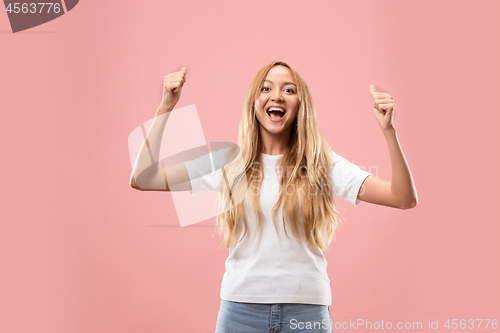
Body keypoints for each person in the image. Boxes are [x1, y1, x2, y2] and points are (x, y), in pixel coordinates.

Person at [129, 61, 418, 333]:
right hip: (240, 311)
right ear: (254, 104)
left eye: (288, 90)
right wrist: (166, 106)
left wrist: (388, 130)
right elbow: (143, 177)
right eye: (265, 88)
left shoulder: (321, 163)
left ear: (299, 105)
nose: (276, 96)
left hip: (307, 313)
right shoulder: (228, 163)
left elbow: (403, 197)